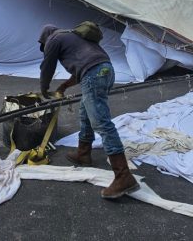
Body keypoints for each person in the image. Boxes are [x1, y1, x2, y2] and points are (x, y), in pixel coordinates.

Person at [38, 24, 140, 199]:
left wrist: (44, 89)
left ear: (45, 37)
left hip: (94, 74)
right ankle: (83, 153)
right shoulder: (72, 36)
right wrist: (64, 86)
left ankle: (123, 176)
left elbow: (47, 66)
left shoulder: (53, 39)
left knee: (101, 122)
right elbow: (84, 67)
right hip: (106, 70)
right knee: (85, 114)